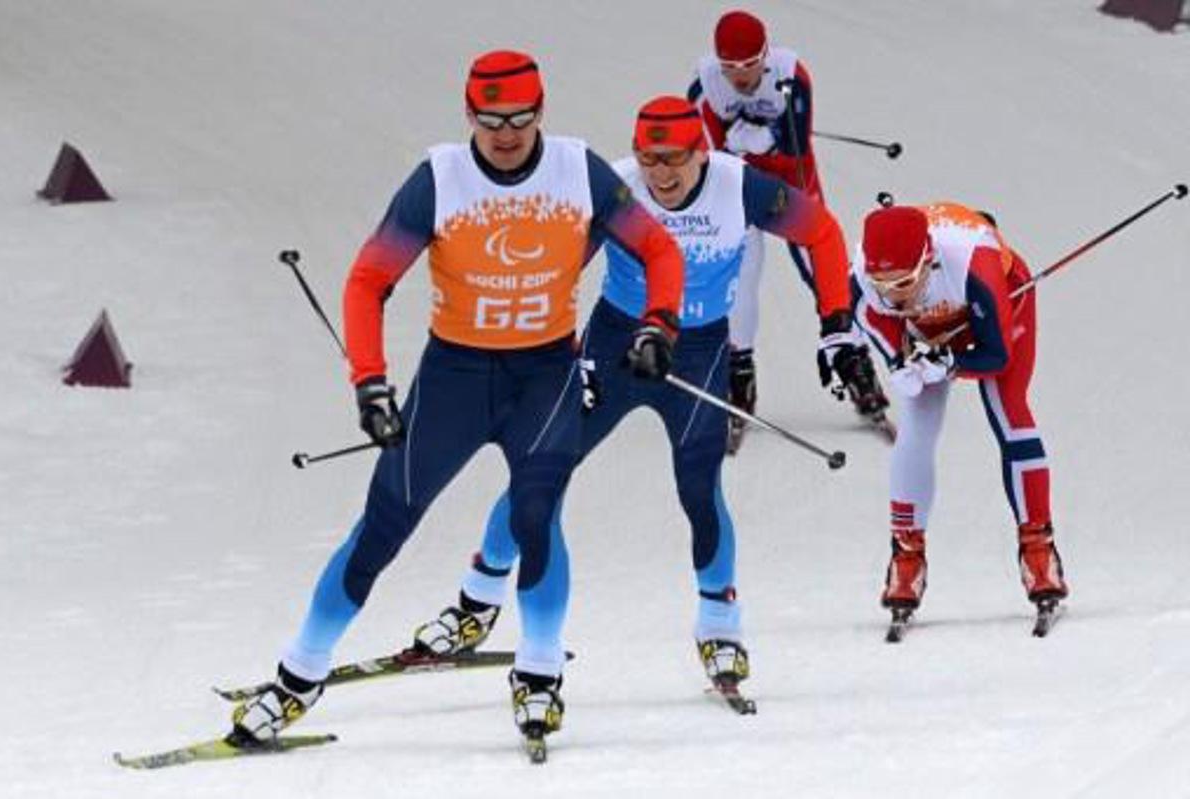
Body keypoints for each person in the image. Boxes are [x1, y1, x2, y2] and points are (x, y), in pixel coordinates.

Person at [229, 50, 684, 748]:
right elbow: (367, 279)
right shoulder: (441, 177)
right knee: (385, 523)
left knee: (537, 516)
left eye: (521, 119)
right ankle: (299, 673)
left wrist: (660, 322)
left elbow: (658, 250)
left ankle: (538, 669)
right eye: (491, 119)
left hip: (546, 374)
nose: (506, 134)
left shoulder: (576, 168)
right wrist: (370, 380)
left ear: (542, 112)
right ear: (470, 114)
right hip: (456, 378)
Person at [408, 96, 858, 698]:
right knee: (544, 468)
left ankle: (720, 625)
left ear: (703, 152)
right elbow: (556, 271)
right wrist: (554, 356)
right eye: (649, 159)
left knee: (700, 490)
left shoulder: (740, 187)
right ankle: (477, 601)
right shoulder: (614, 186)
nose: (660, 175)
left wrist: (835, 325)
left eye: (673, 159)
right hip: (615, 346)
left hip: (698, 354)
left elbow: (824, 234)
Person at [853, 203, 1069, 620]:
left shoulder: (975, 266)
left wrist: (952, 363)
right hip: (928, 328)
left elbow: (997, 357)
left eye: (903, 282)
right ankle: (906, 554)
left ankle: (1038, 546)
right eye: (883, 285)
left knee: (1008, 410)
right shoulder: (862, 280)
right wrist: (902, 363)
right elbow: (876, 322)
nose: (894, 295)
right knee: (916, 425)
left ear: (928, 261)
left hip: (1001, 305)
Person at [688, 9, 888, 448]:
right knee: (740, 280)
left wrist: (758, 142)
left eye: (748, 66)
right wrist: (748, 145)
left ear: (765, 55)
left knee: (826, 278)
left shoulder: (791, 76)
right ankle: (739, 371)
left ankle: (853, 360)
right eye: (730, 68)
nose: (739, 77)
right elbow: (711, 160)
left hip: (791, 191)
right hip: (738, 193)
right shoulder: (704, 87)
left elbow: (795, 156)